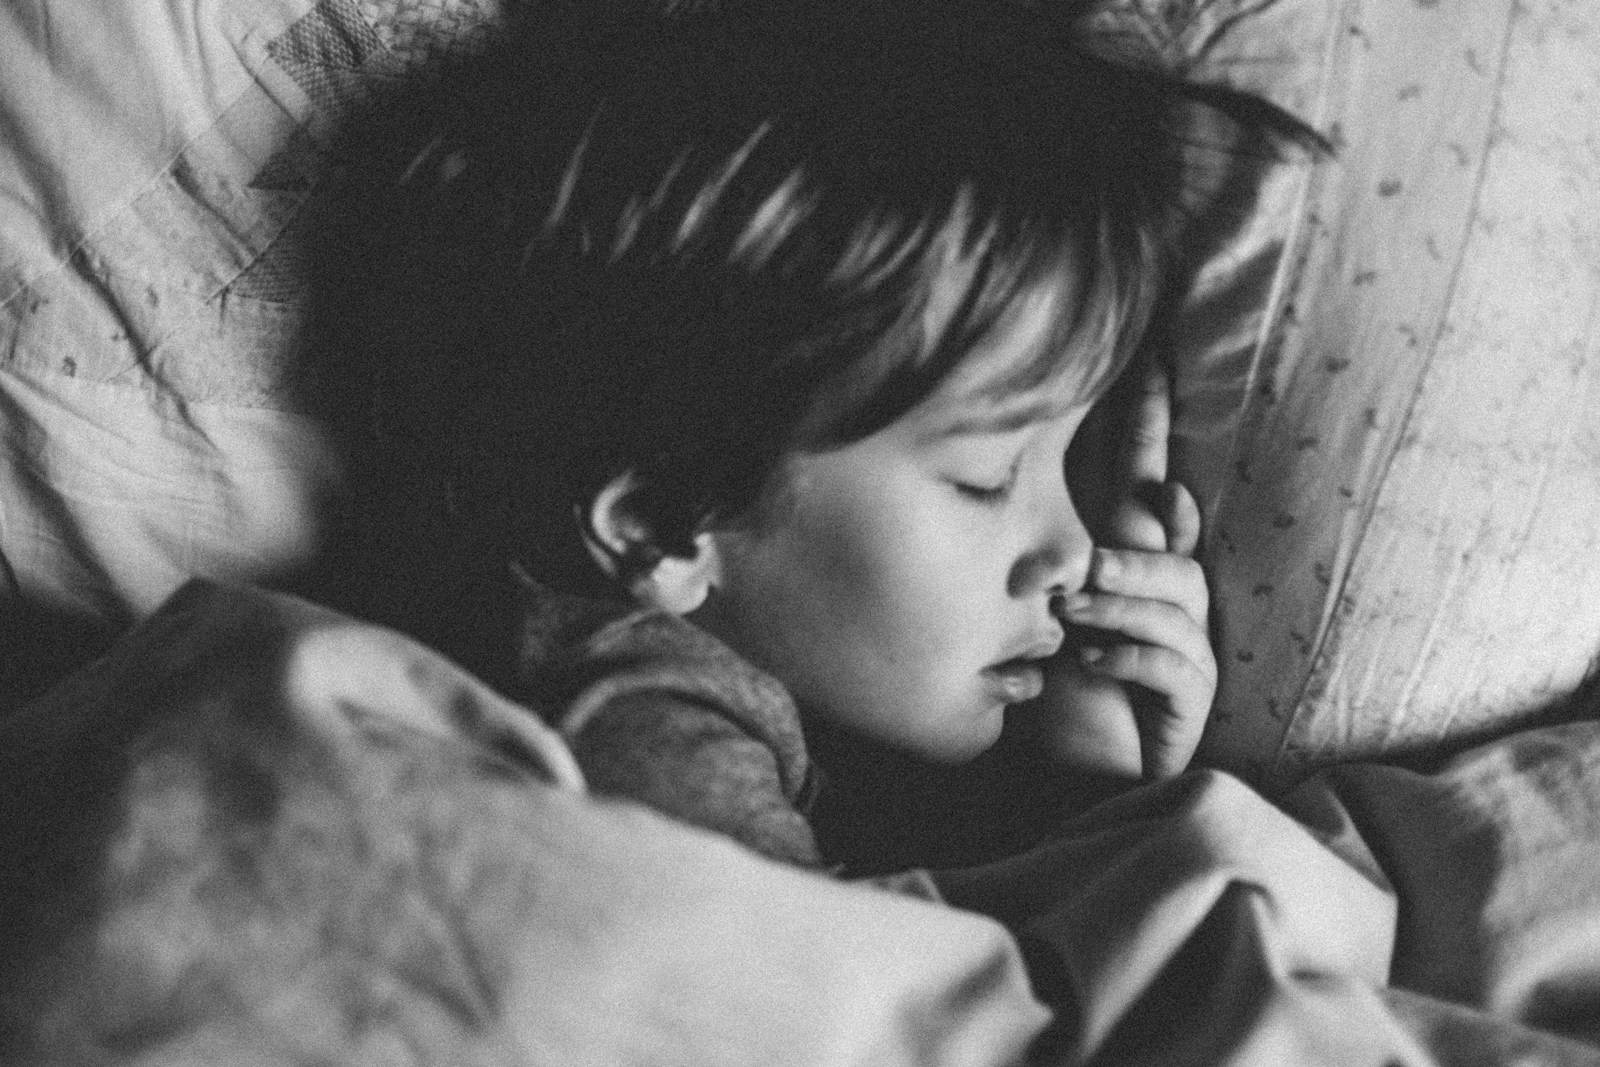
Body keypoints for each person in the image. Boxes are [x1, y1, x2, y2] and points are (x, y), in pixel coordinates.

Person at [302, 0, 1319, 873]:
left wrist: (1069, 776)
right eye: (985, 477)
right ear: (663, 525)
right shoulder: (641, 720)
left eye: (1065, 456)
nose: (1069, 549)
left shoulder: (763, 686)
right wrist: (1093, 818)